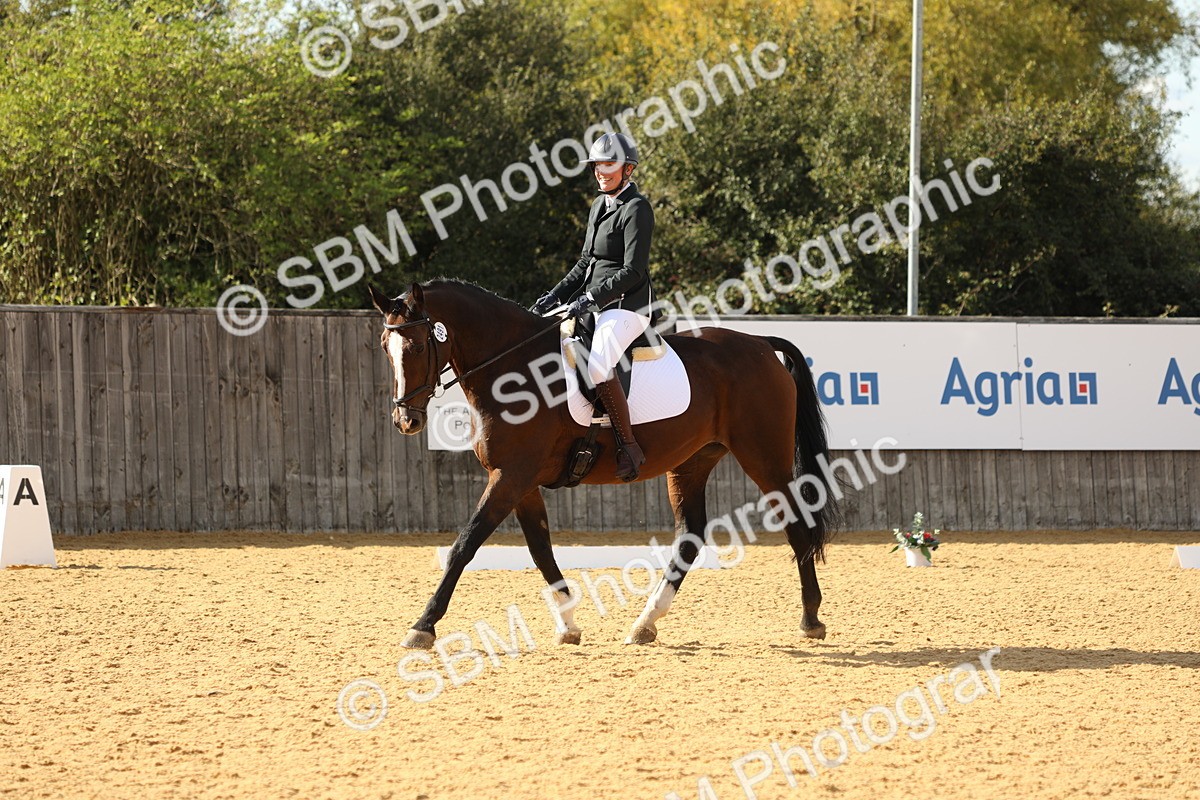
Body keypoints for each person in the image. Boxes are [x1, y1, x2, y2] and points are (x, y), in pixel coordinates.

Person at [531, 132, 655, 481]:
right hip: (592, 304)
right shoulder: (599, 205)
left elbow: (634, 270)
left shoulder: (637, 209)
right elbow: (586, 261)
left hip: (626, 307)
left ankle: (629, 446)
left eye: (609, 164)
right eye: (597, 164)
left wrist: (590, 299)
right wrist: (556, 294)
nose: (601, 171)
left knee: (599, 367)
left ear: (627, 168)